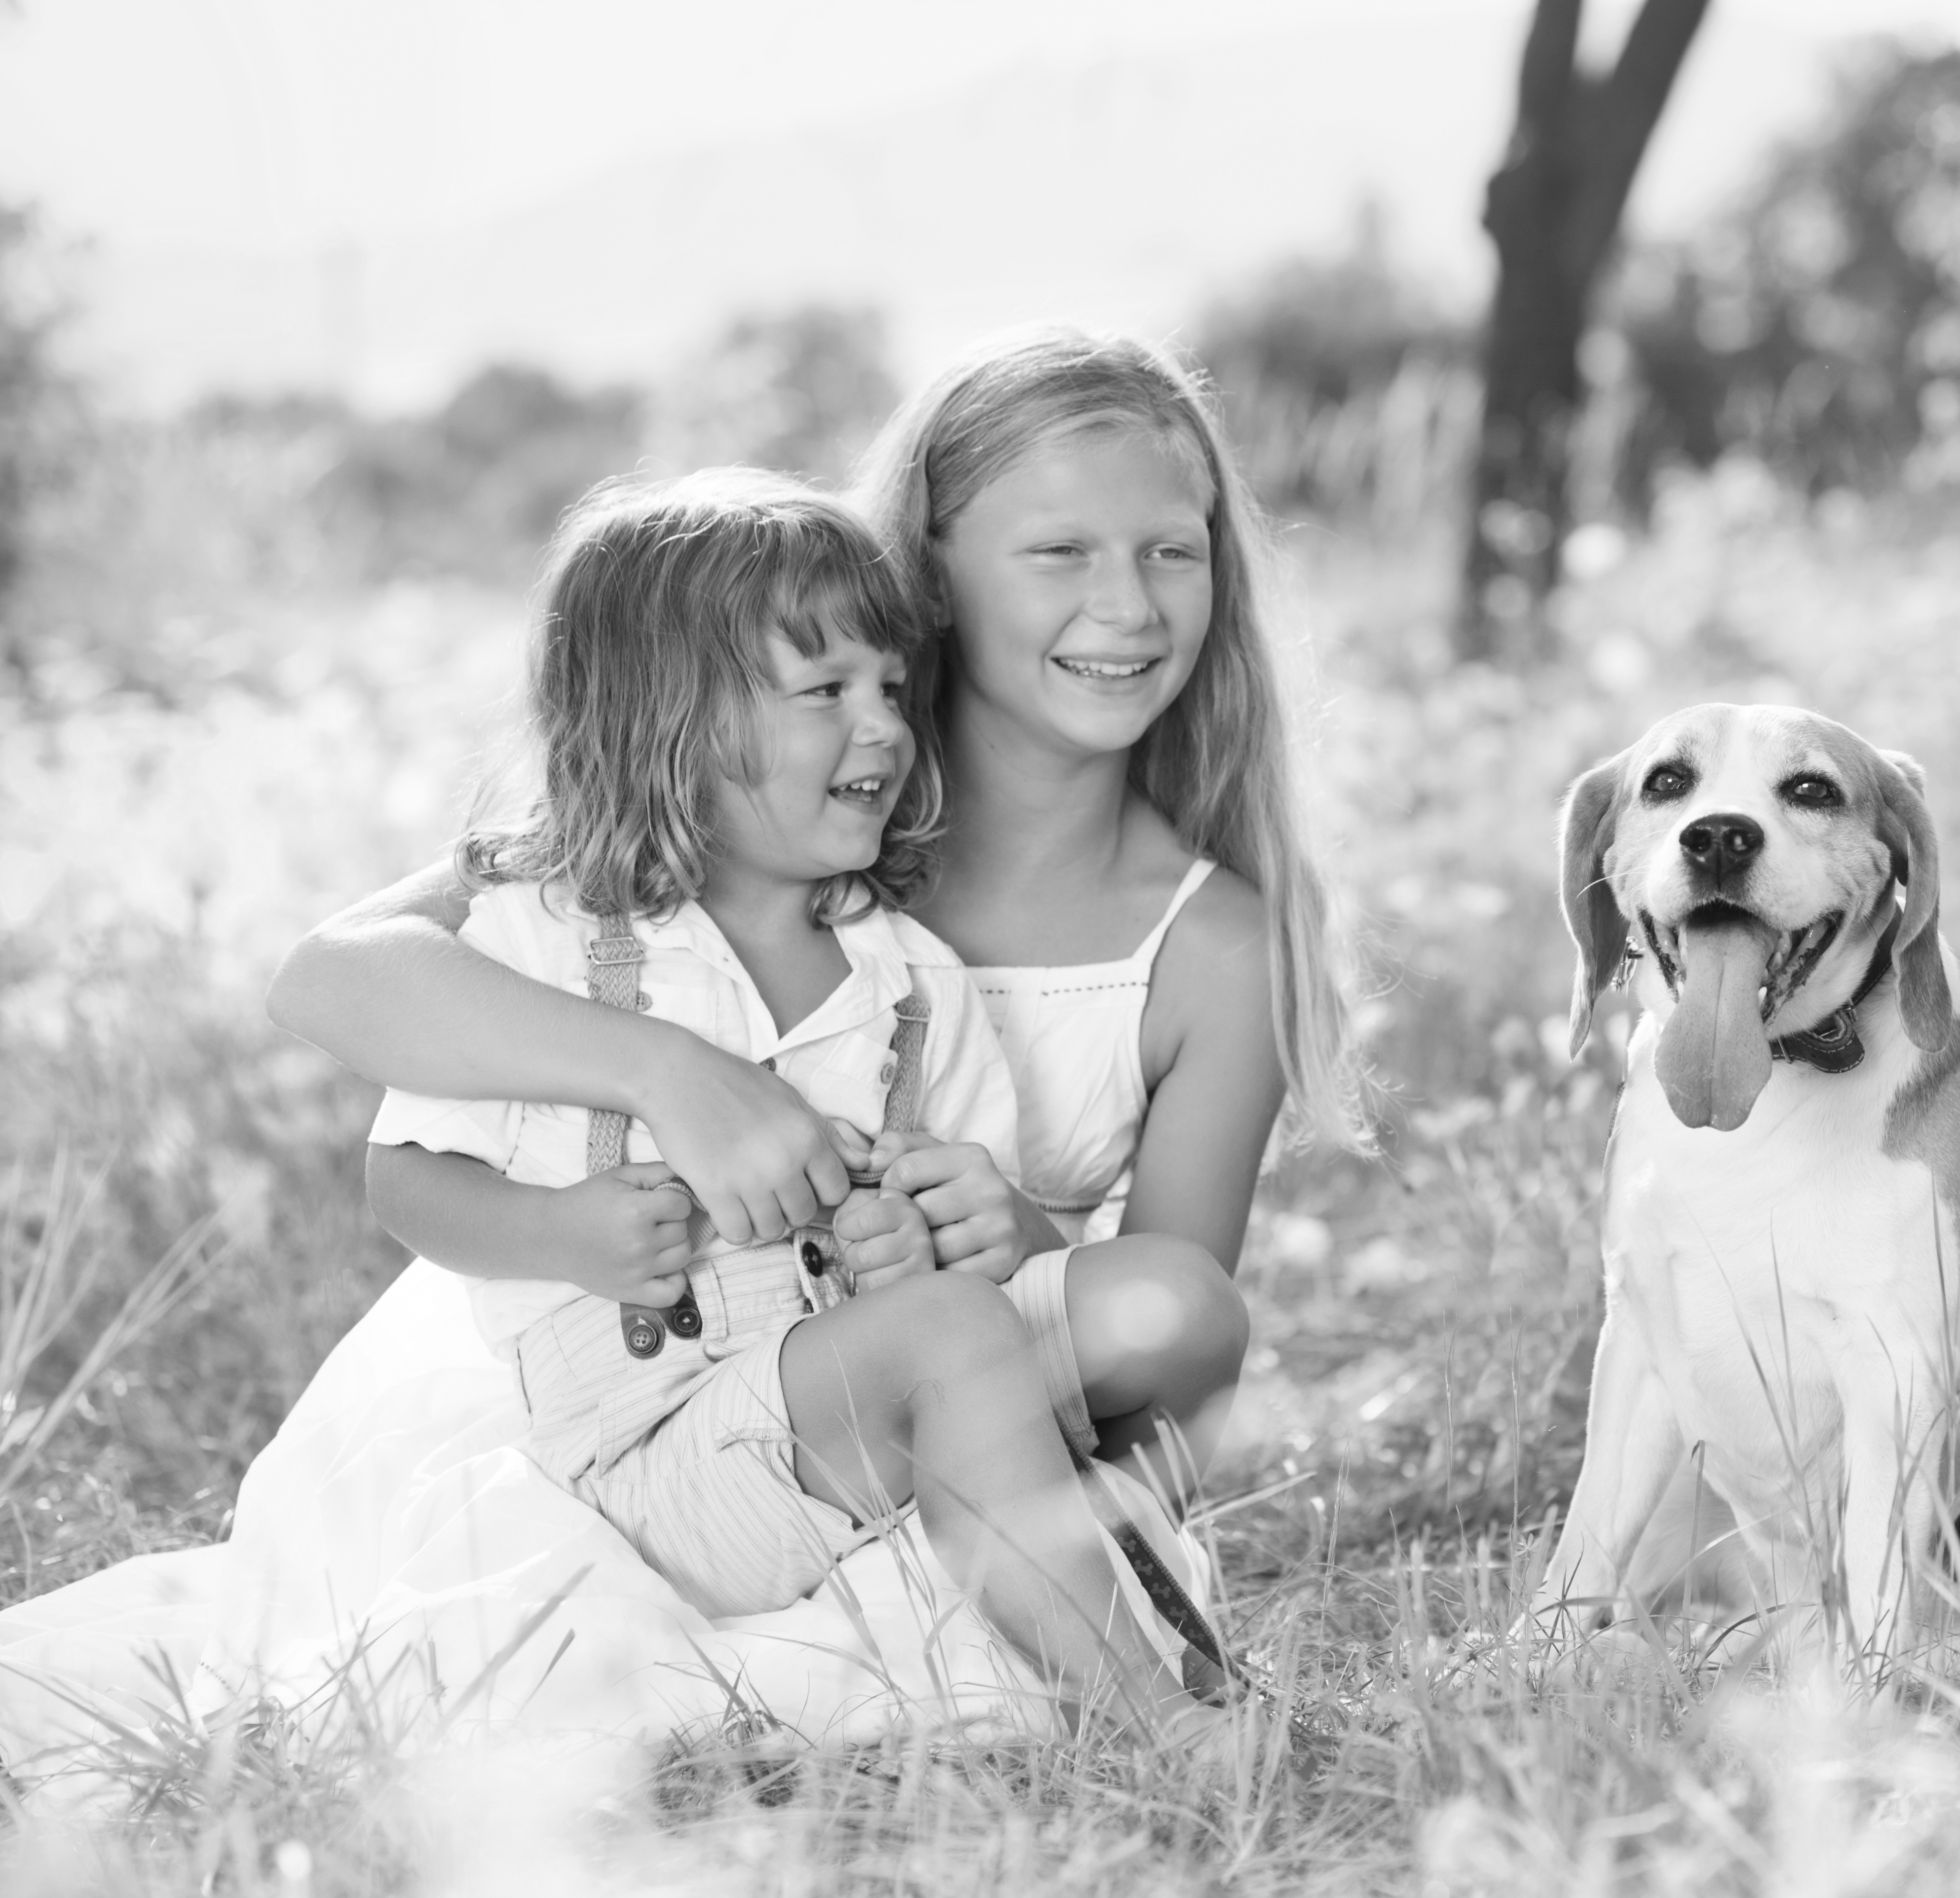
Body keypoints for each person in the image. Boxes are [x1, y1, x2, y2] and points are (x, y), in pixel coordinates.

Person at [269, 327, 1362, 1534]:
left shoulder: (1211, 946)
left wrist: (1011, 1233)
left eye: (1173, 552)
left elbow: (1167, 1366)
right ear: (930, 579)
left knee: (1163, 1304)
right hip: (634, 1362)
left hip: (928, 1392)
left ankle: (1026, 1576)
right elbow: (329, 980)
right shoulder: (758, 800)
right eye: (1057, 551)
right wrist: (673, 1075)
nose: (1128, 606)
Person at [360, 467, 1222, 1737]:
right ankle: (1161, 1716)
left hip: (832, 1432)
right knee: (948, 1344)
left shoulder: (910, 983)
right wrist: (563, 1237)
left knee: (1080, 1316)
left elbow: (967, 1253)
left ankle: (1108, 1614)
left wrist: (923, 1239)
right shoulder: (544, 945)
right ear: (668, 722)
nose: (880, 727)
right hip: (651, 1456)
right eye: (825, 694)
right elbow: (402, 1178)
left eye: (888, 690)